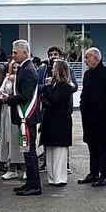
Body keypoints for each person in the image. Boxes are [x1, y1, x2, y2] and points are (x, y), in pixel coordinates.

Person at [2, 40, 42, 196]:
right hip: (22, 118)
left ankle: (34, 185)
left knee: (30, 152)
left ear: (25, 53)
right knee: (26, 150)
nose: (12, 56)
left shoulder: (28, 70)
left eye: (15, 52)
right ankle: (30, 183)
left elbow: (25, 95)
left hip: (27, 118)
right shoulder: (24, 68)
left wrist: (8, 99)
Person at [78, 47, 106, 187]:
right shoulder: (87, 74)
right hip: (88, 117)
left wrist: (99, 108)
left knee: (103, 147)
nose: (85, 60)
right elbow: (84, 94)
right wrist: (83, 105)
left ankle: (105, 175)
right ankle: (93, 172)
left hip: (102, 118)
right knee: (92, 146)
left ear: (96, 57)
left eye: (87, 57)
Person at [40, 58, 74, 187]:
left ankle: (59, 178)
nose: (52, 70)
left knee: (59, 150)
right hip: (50, 121)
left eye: (54, 67)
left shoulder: (65, 86)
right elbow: (46, 98)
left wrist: (47, 88)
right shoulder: (54, 84)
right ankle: (52, 177)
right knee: (50, 150)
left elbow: (53, 99)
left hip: (60, 123)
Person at [0, 61, 25, 180]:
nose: (15, 69)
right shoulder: (6, 79)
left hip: (20, 113)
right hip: (7, 112)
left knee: (21, 139)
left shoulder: (24, 79)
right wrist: (3, 97)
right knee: (8, 139)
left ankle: (24, 168)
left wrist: (11, 97)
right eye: (13, 67)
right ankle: (11, 167)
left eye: (17, 67)